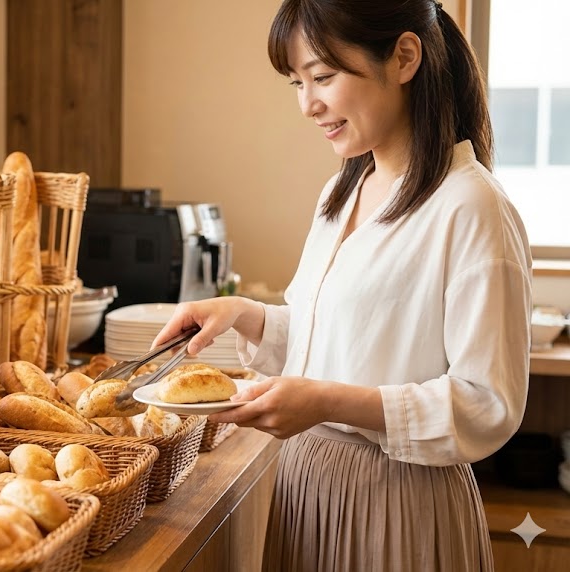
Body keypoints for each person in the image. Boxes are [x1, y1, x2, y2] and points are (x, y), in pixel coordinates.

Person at [152, 1, 531, 570]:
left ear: (404, 57)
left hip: (397, 501)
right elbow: (336, 339)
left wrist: (327, 402)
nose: (308, 104)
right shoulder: (343, 192)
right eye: (296, 82)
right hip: (307, 485)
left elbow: (487, 404)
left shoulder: (470, 205)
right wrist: (244, 313)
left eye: (324, 76)